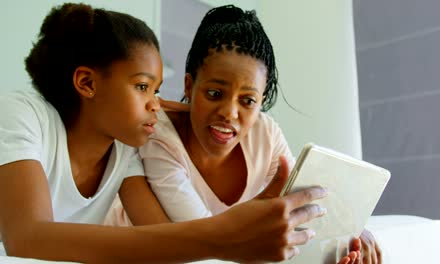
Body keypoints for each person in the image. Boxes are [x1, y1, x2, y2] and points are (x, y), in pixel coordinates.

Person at [0, 3, 331, 263]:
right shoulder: (22, 116)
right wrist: (226, 237)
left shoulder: (124, 151)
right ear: (87, 83)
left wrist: (204, 110)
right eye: (143, 86)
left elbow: (164, 238)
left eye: (157, 90)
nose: (156, 103)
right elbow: (26, 239)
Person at [105, 5, 380, 264]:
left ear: (261, 102)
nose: (229, 113)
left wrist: (351, 230)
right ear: (189, 86)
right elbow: (206, 240)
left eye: (247, 101)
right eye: (214, 94)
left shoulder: (266, 133)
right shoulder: (161, 138)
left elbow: (307, 200)